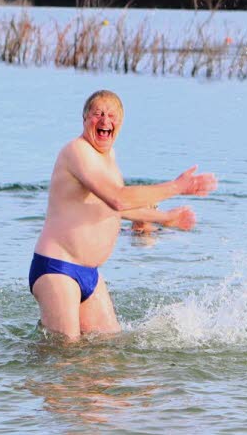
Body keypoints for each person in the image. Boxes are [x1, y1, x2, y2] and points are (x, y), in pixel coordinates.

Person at [29, 90, 217, 340]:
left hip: (89, 273)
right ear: (85, 119)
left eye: (112, 115)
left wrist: (165, 218)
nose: (105, 120)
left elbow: (111, 206)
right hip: (58, 268)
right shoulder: (77, 151)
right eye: (97, 113)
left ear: (120, 123)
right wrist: (177, 187)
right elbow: (118, 198)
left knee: (109, 349)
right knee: (65, 352)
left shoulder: (107, 157)